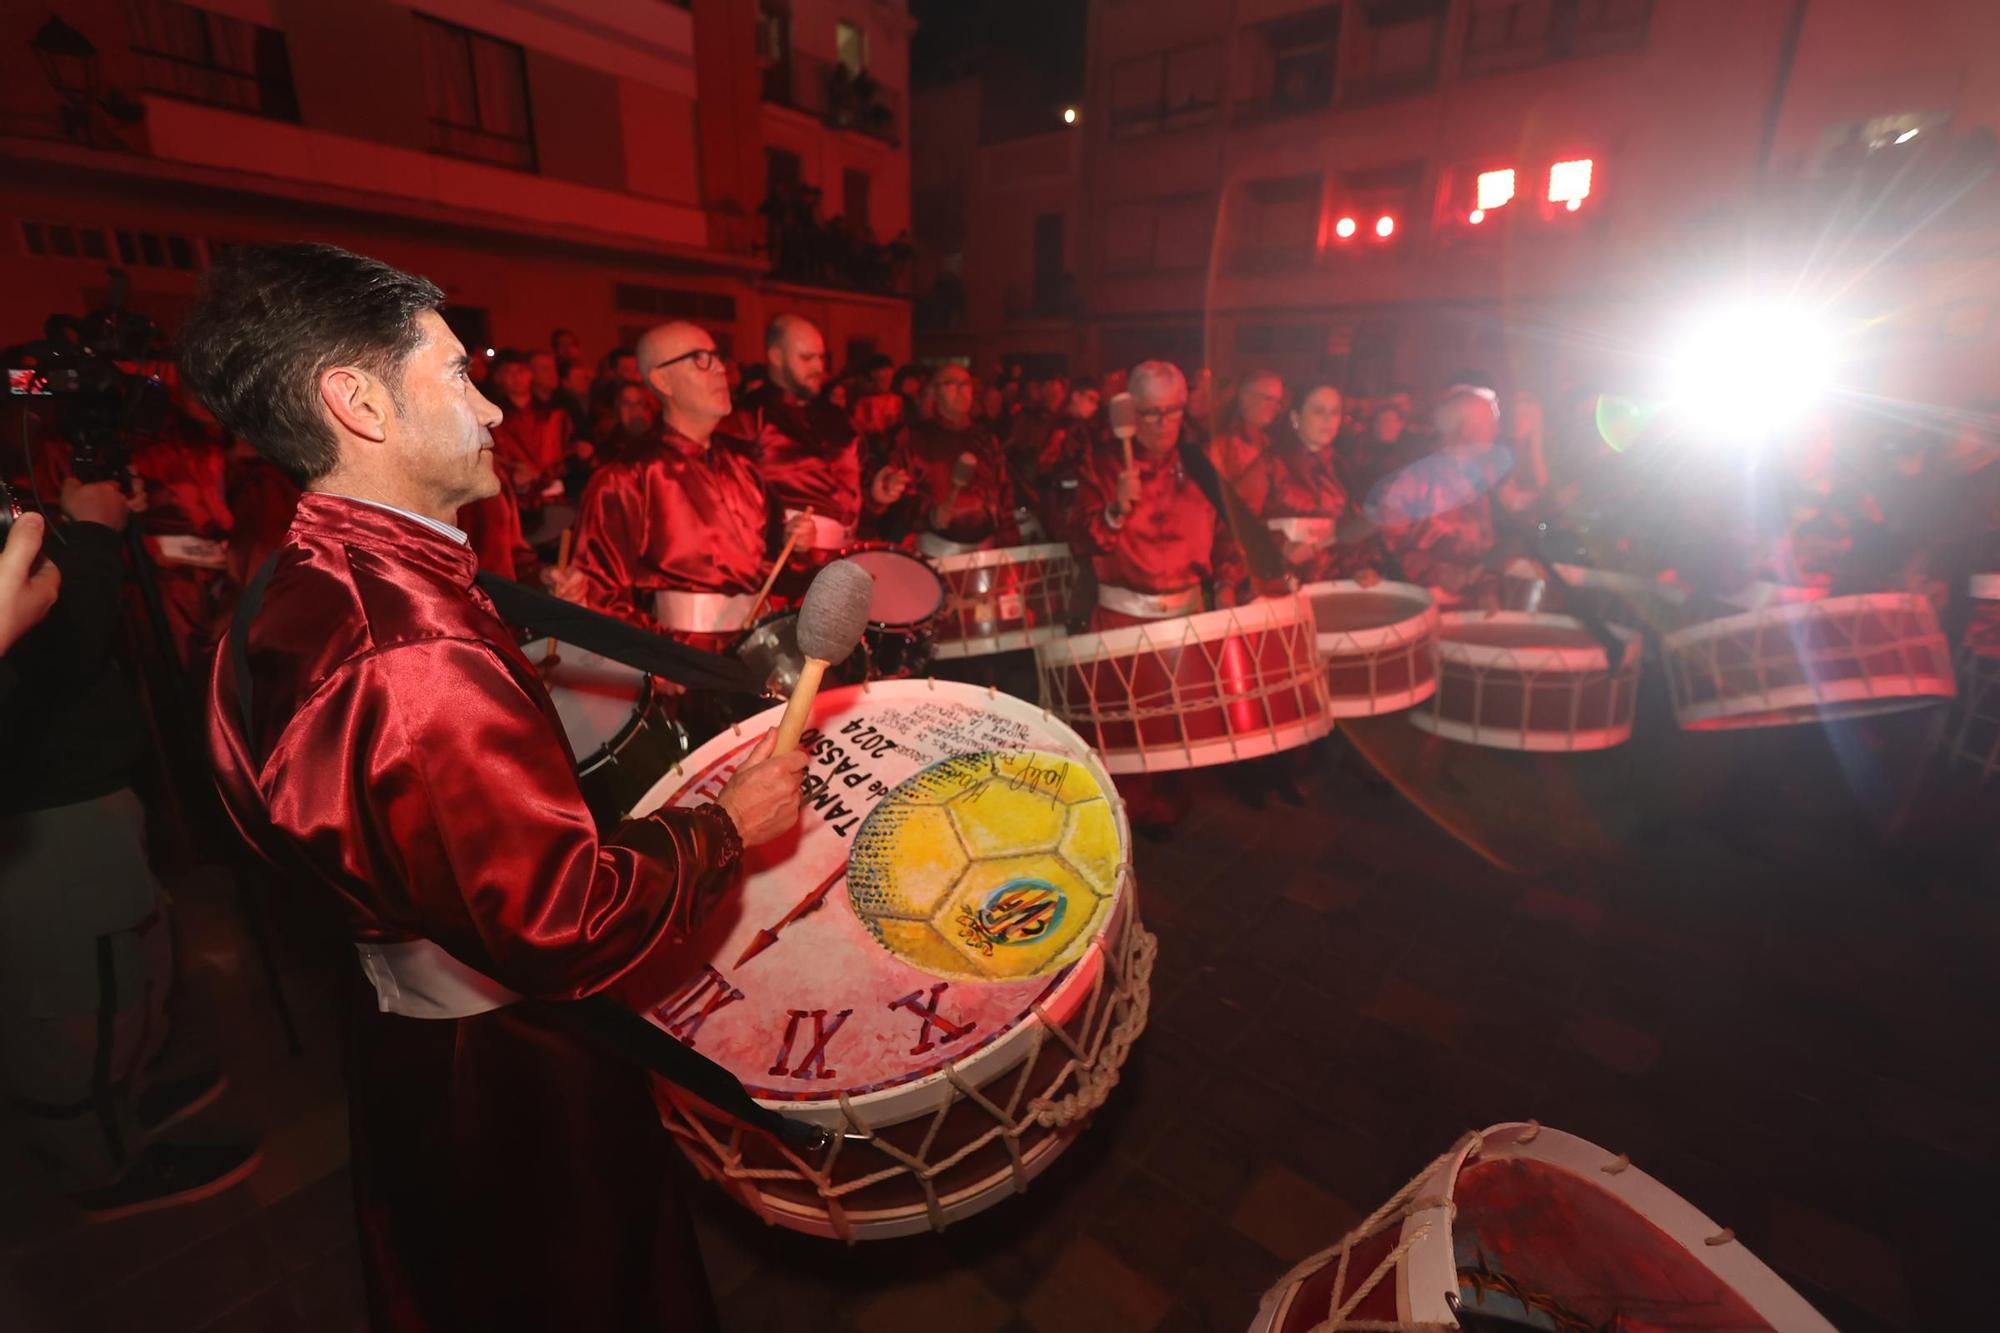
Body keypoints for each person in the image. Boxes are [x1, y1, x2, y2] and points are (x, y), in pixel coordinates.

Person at [181, 244, 807, 1333]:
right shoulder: (407, 652)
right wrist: (723, 826)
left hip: (409, 1033)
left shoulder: (301, 578)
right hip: (515, 1074)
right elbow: (560, 916)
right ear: (357, 402)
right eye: (456, 376)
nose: (492, 410)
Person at [1, 475, 256, 1219]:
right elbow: (55, 646)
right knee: (80, 1001)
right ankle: (100, 1163)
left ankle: (127, 1095)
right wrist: (97, 536)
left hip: (77, 782)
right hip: (39, 807)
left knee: (130, 966)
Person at [553, 321, 813, 651]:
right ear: (662, 380)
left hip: (761, 651)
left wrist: (797, 547)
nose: (720, 368)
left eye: (718, 357)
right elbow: (600, 597)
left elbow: (776, 571)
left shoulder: (744, 464)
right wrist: (663, 660)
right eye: (701, 358)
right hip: (683, 665)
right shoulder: (627, 476)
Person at [732, 314, 902, 558]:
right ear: (776, 357)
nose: (819, 367)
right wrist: (778, 533)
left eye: (821, 357)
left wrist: (876, 492)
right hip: (785, 567)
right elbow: (731, 502)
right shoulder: (748, 416)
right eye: (806, 358)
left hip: (846, 558)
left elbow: (859, 482)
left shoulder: (837, 417)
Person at [885, 366, 1018, 557]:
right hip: (934, 551)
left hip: (985, 551)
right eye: (951, 384)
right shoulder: (914, 439)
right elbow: (897, 497)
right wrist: (929, 515)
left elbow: (1004, 492)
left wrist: (1010, 543)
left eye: (965, 384)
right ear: (935, 393)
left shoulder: (986, 439)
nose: (960, 390)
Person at [1256, 384, 1357, 585]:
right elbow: (1236, 523)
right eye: (1319, 411)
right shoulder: (1271, 464)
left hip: (1332, 584)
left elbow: (1353, 524)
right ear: (1295, 418)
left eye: (1335, 412)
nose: (1328, 420)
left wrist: (1364, 565)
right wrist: (1282, 545)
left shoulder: (1340, 466)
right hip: (1279, 582)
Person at [1210, 369, 1285, 514]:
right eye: (1268, 399)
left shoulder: (1273, 444)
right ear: (1245, 398)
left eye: (1278, 401)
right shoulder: (1222, 446)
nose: (1274, 407)